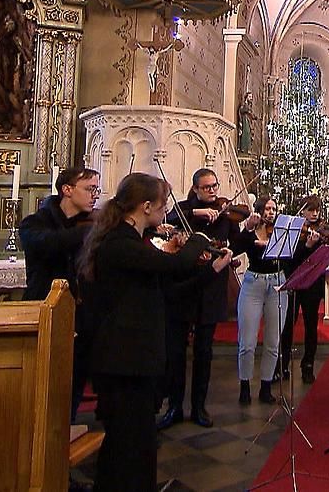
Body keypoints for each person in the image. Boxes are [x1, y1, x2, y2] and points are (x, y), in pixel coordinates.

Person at [78, 172, 228, 492]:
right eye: (161, 206)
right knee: (128, 445)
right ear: (145, 207)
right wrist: (199, 240)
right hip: (123, 361)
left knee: (138, 444)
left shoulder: (132, 242)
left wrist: (210, 272)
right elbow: (172, 267)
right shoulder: (119, 243)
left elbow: (167, 291)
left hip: (135, 360)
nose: (164, 213)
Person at [161, 168, 258, 429]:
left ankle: (199, 407)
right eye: (207, 187)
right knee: (176, 351)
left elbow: (236, 244)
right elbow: (166, 222)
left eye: (214, 186)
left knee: (205, 351)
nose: (213, 191)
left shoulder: (226, 215)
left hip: (212, 286)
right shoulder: (183, 209)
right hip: (184, 287)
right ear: (195, 189)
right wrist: (196, 213)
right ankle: (174, 407)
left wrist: (247, 231)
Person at [18, 166, 100, 420]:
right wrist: (92, 230)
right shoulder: (35, 223)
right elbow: (48, 244)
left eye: (96, 190)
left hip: (83, 316)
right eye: (89, 189)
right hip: (46, 310)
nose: (95, 196)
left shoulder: (90, 223)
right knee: (44, 382)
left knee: (75, 381)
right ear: (67, 190)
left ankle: (67, 429)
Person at [280, 196, 329, 385]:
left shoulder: (322, 231)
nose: (314, 214)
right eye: (310, 210)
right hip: (295, 281)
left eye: (317, 210)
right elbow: (289, 260)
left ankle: (308, 366)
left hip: (313, 284)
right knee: (288, 324)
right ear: (302, 211)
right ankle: (283, 365)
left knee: (311, 326)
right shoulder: (293, 230)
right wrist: (307, 246)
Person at [238, 196, 286, 405]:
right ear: (258, 210)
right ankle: (245, 385)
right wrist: (248, 229)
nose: (270, 212)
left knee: (273, 341)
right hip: (253, 283)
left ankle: (266, 386)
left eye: (273, 209)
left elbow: (293, 254)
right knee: (247, 342)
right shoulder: (250, 231)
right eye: (266, 209)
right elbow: (237, 245)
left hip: (277, 283)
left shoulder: (282, 232)